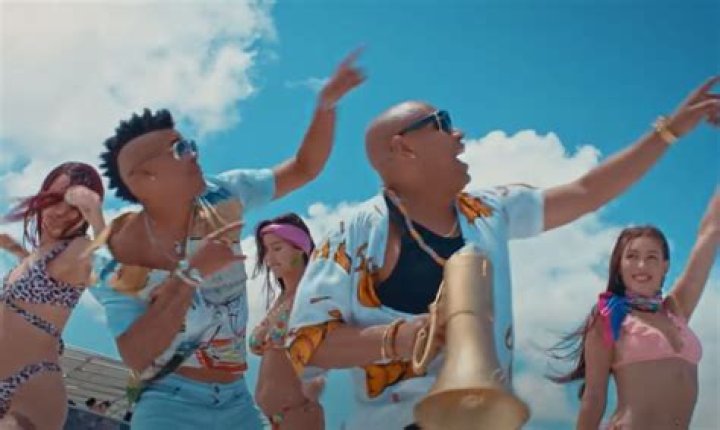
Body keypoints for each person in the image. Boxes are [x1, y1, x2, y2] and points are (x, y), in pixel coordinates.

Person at [284, 77, 720, 429]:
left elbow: (586, 192)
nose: (459, 135)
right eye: (441, 123)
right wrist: (411, 337)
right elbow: (307, 343)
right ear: (403, 147)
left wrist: (668, 132)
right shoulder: (354, 232)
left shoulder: (491, 209)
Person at [88, 51, 364, 430]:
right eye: (180, 150)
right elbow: (136, 354)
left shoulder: (224, 194)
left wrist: (326, 105)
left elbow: (303, 168)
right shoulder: (119, 258)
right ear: (145, 179)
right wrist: (191, 275)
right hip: (169, 402)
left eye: (190, 144)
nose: (194, 154)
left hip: (236, 400)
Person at [548, 194, 719, 429]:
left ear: (665, 266)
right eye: (632, 257)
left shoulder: (675, 310)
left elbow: (710, 234)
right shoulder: (608, 316)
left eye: (651, 257)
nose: (641, 265)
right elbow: (594, 397)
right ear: (619, 266)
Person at [0, 162, 105, 429]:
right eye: (54, 199)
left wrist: (96, 217)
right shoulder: (38, 255)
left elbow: (109, 269)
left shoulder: (78, 248)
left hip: (32, 388)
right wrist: (13, 248)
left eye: (75, 207)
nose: (61, 212)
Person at [249, 213, 325, 429]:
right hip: (266, 420)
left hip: (296, 414)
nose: (269, 258)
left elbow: (331, 337)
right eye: (265, 251)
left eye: (277, 248)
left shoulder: (313, 294)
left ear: (300, 248)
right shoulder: (281, 300)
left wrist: (318, 380)